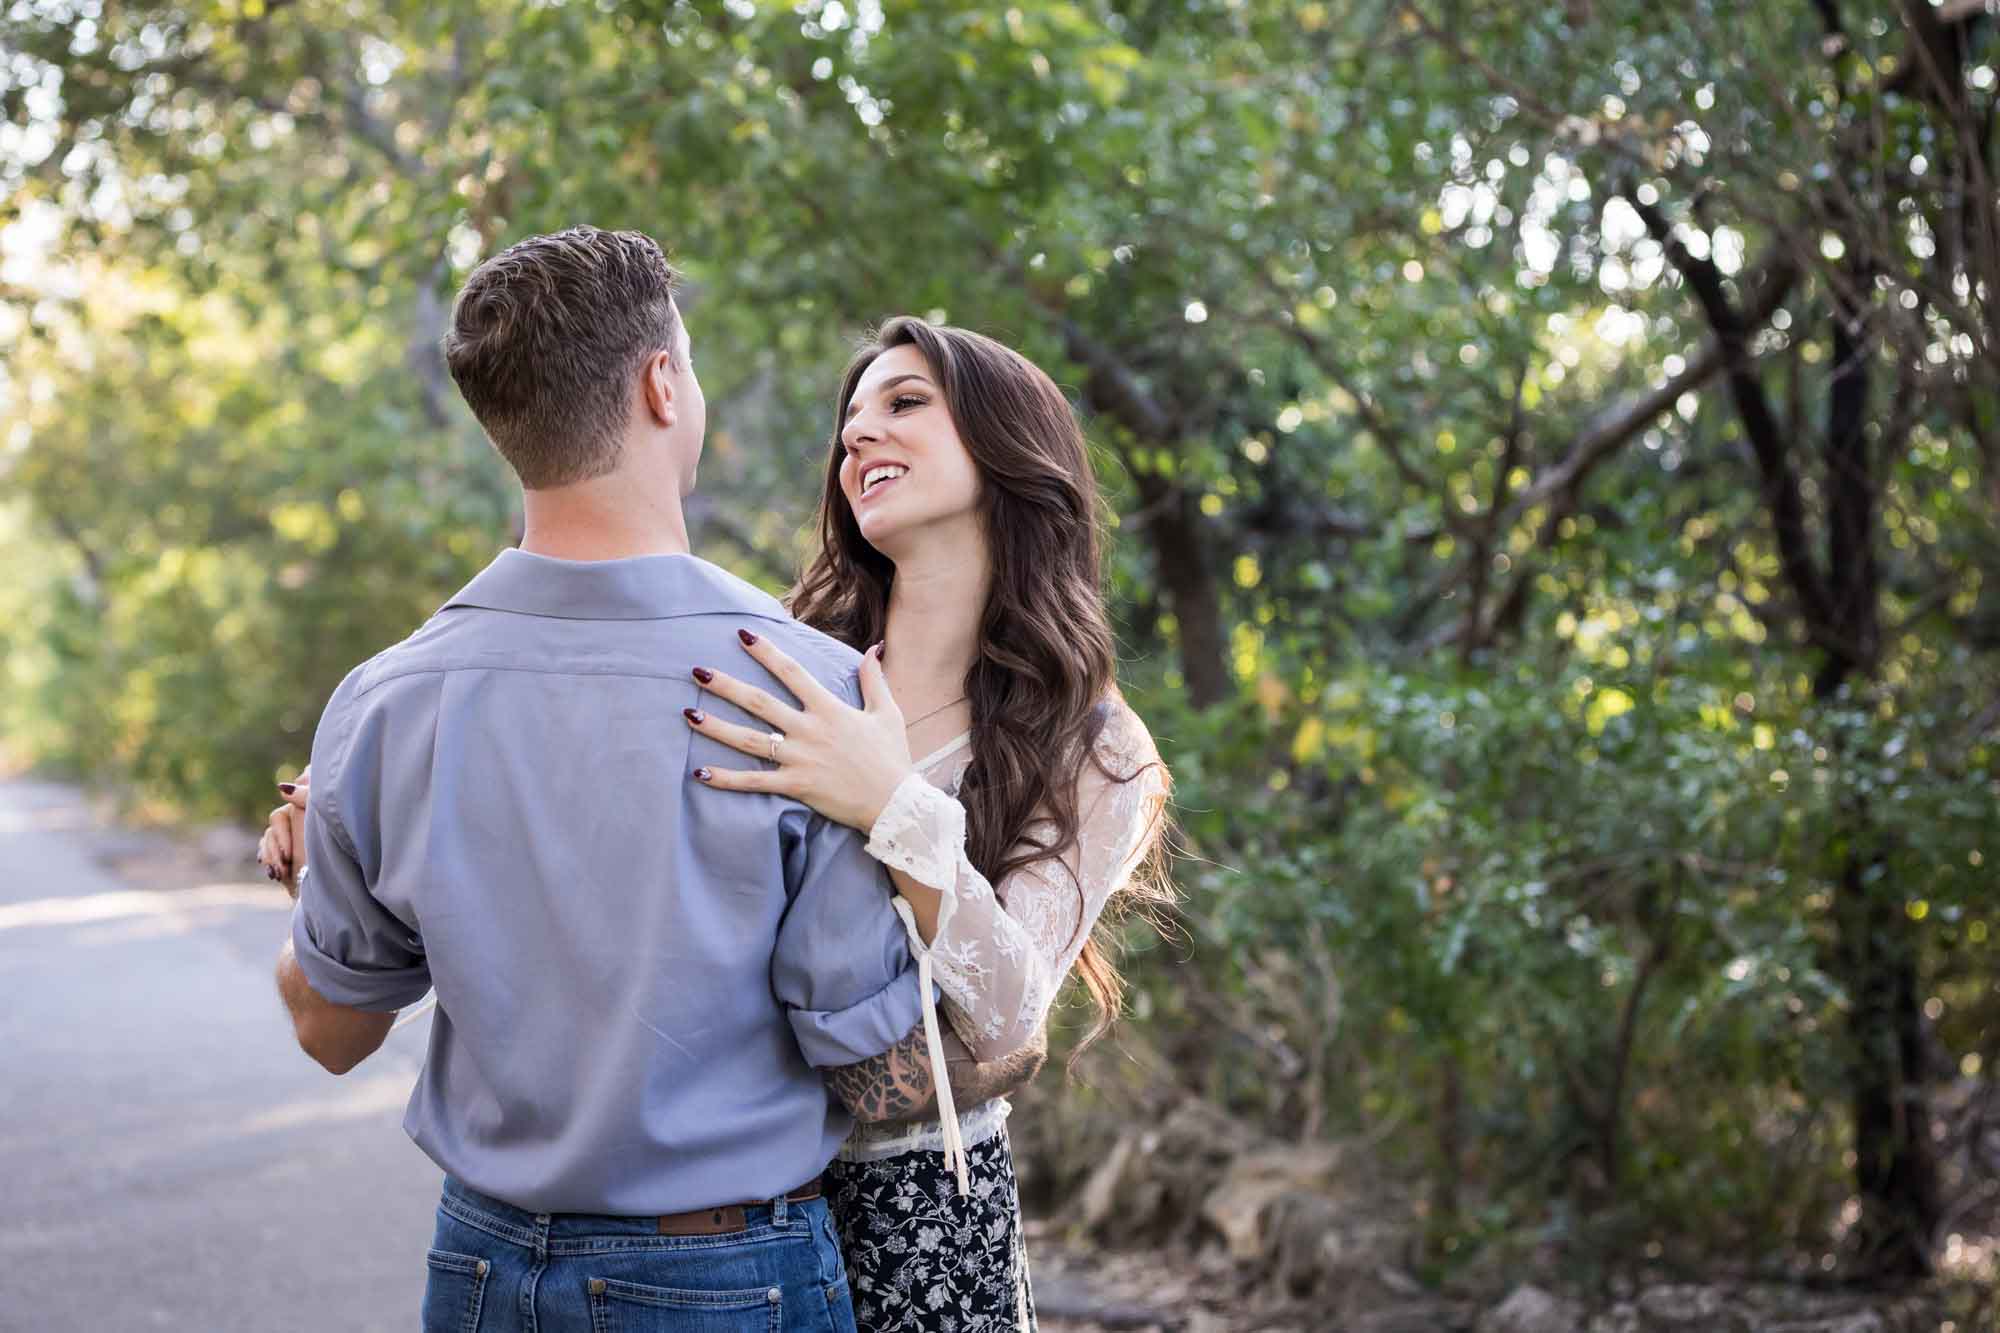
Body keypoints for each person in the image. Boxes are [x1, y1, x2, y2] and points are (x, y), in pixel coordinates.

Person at [266, 225, 952, 1333]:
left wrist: (311, 878)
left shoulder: (383, 704)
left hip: (479, 1268)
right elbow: (882, 1073)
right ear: (661, 383)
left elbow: (331, 1030)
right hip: (725, 1277)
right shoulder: (803, 692)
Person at [682, 317, 1174, 1331]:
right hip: (720, 1188)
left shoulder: (1096, 746)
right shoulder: (784, 666)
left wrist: (891, 806)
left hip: (920, 1216)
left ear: (1007, 450)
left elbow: (1006, 1008)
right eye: (849, 422)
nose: (857, 436)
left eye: (903, 403)